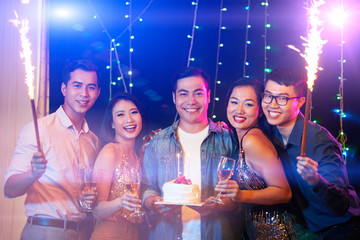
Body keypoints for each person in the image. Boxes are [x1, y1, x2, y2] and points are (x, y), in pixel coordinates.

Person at [4, 60, 101, 240]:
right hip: (45, 231)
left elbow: (84, 194)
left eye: (91, 87)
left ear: (98, 93)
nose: (84, 94)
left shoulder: (93, 140)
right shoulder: (38, 129)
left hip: (83, 232)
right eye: (77, 86)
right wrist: (33, 173)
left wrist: (88, 197)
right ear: (64, 89)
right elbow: (9, 189)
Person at [141, 67, 241, 240]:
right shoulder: (157, 142)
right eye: (183, 94)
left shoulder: (229, 140)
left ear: (208, 96)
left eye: (198, 93)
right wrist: (153, 203)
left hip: (216, 234)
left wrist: (218, 206)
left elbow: (240, 194)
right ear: (174, 98)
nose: (191, 101)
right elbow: (146, 187)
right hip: (167, 234)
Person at [261, 68, 360, 239]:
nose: (272, 104)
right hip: (304, 231)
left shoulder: (321, 141)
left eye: (283, 98)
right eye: (268, 95)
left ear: (300, 102)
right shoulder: (268, 132)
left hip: (339, 230)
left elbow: (341, 203)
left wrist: (316, 180)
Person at [215, 77, 298, 239]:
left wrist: (241, 196)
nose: (239, 110)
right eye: (234, 102)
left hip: (275, 233)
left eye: (248, 104)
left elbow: (284, 192)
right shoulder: (241, 137)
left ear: (260, 110)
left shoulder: (253, 141)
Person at [90, 92, 149, 240]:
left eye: (134, 112)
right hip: (108, 234)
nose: (129, 120)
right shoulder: (110, 152)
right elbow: (96, 210)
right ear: (111, 123)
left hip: (132, 234)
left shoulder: (136, 157)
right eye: (120, 115)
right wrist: (121, 202)